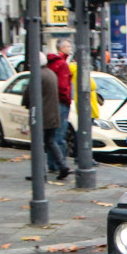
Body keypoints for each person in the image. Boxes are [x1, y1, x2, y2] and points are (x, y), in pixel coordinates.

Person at [21, 53, 71, 180]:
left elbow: (28, 94)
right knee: (50, 141)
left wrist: (25, 103)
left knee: (38, 144)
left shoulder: (37, 75)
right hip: (53, 114)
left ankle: (40, 172)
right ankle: (63, 166)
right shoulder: (51, 73)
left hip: (40, 115)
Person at [46, 38, 73, 172]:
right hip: (61, 102)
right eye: (68, 46)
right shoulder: (62, 64)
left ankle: (52, 163)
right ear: (61, 48)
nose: (70, 49)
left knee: (51, 136)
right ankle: (60, 164)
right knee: (60, 135)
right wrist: (67, 99)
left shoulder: (51, 63)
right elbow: (63, 86)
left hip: (50, 102)